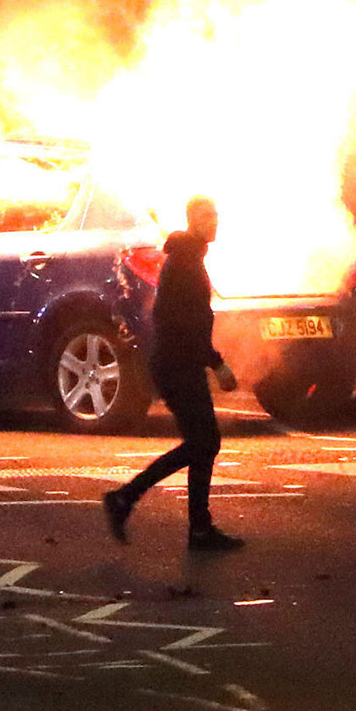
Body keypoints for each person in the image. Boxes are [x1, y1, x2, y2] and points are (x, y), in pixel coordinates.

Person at [103, 196, 243, 551]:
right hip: (175, 365)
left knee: (203, 444)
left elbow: (192, 322)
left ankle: (193, 526)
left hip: (182, 363)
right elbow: (179, 321)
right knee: (203, 442)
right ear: (192, 220)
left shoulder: (190, 258)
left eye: (215, 214)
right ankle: (127, 498)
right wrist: (216, 363)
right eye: (206, 216)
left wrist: (208, 360)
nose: (214, 221)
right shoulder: (183, 261)